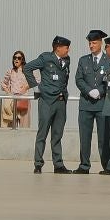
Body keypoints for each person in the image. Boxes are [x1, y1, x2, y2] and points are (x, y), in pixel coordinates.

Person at [24, 36, 71, 173]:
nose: (68, 50)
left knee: (57, 134)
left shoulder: (67, 60)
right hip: (47, 101)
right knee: (42, 133)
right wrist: (35, 86)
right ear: (58, 48)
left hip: (61, 101)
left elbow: (65, 78)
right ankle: (38, 163)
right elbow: (27, 68)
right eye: (66, 47)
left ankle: (58, 164)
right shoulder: (45, 58)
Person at [75, 28, 108, 173]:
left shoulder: (108, 60)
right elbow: (79, 79)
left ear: (100, 43)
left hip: (102, 104)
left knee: (103, 138)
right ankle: (84, 165)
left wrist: (100, 91)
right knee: (84, 137)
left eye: (94, 43)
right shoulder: (83, 60)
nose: (91, 46)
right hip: (86, 104)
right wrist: (89, 91)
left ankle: (107, 166)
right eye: (89, 43)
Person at [0, 50, 30, 129]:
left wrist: (26, 87)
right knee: (10, 123)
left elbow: (35, 81)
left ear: (22, 60)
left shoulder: (27, 71)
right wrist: (8, 92)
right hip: (12, 99)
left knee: (24, 125)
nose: (16, 59)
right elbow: (3, 83)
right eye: (15, 58)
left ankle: (23, 136)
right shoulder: (10, 71)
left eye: (19, 58)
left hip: (23, 98)